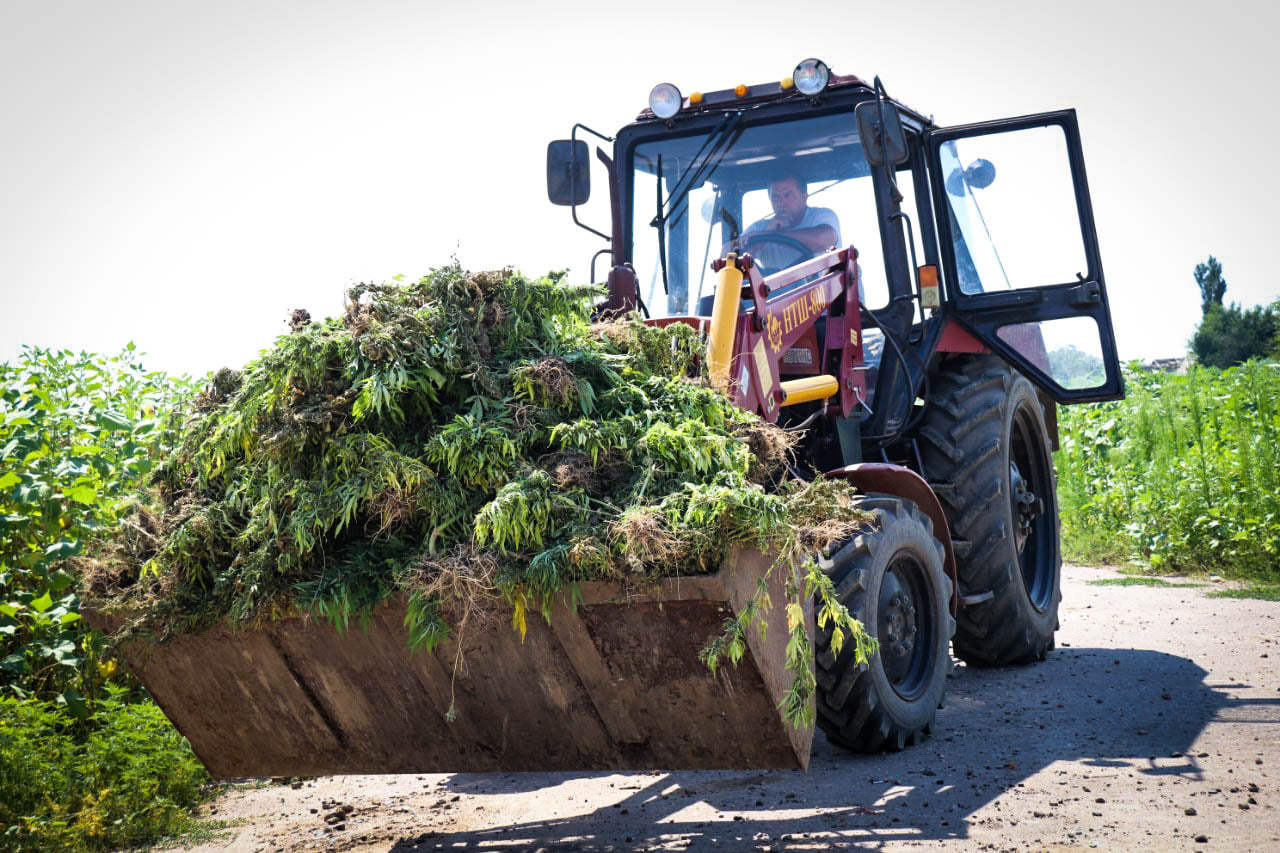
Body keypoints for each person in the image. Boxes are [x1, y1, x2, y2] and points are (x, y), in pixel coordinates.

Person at [726, 172, 841, 272]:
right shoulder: (761, 228)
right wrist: (764, 236)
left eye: (788, 195)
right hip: (775, 295)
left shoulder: (822, 216)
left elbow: (822, 239)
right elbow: (727, 257)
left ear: (804, 197)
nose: (782, 203)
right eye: (776, 197)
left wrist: (771, 235)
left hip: (827, 295)